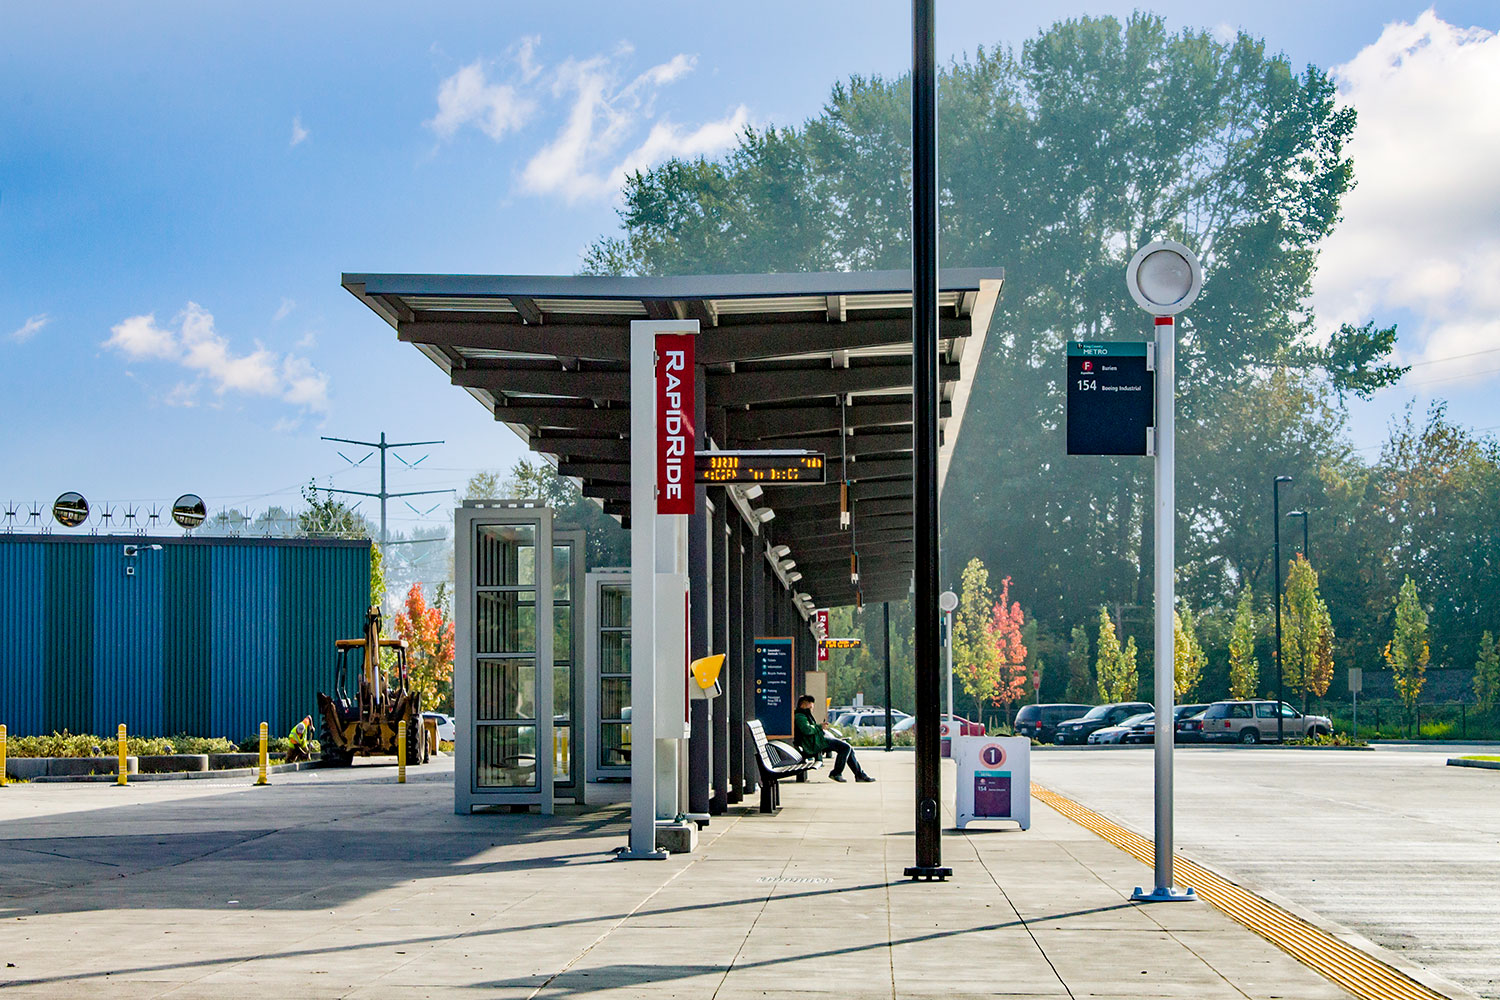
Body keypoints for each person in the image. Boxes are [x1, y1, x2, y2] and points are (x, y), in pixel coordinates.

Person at [792, 695, 874, 783]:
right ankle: (837, 773)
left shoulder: (804, 715)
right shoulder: (800, 716)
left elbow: (809, 728)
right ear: (803, 705)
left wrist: (819, 727)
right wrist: (820, 727)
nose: (812, 707)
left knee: (848, 748)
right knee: (845, 747)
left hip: (816, 741)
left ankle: (859, 775)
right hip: (813, 744)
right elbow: (807, 730)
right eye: (810, 705)